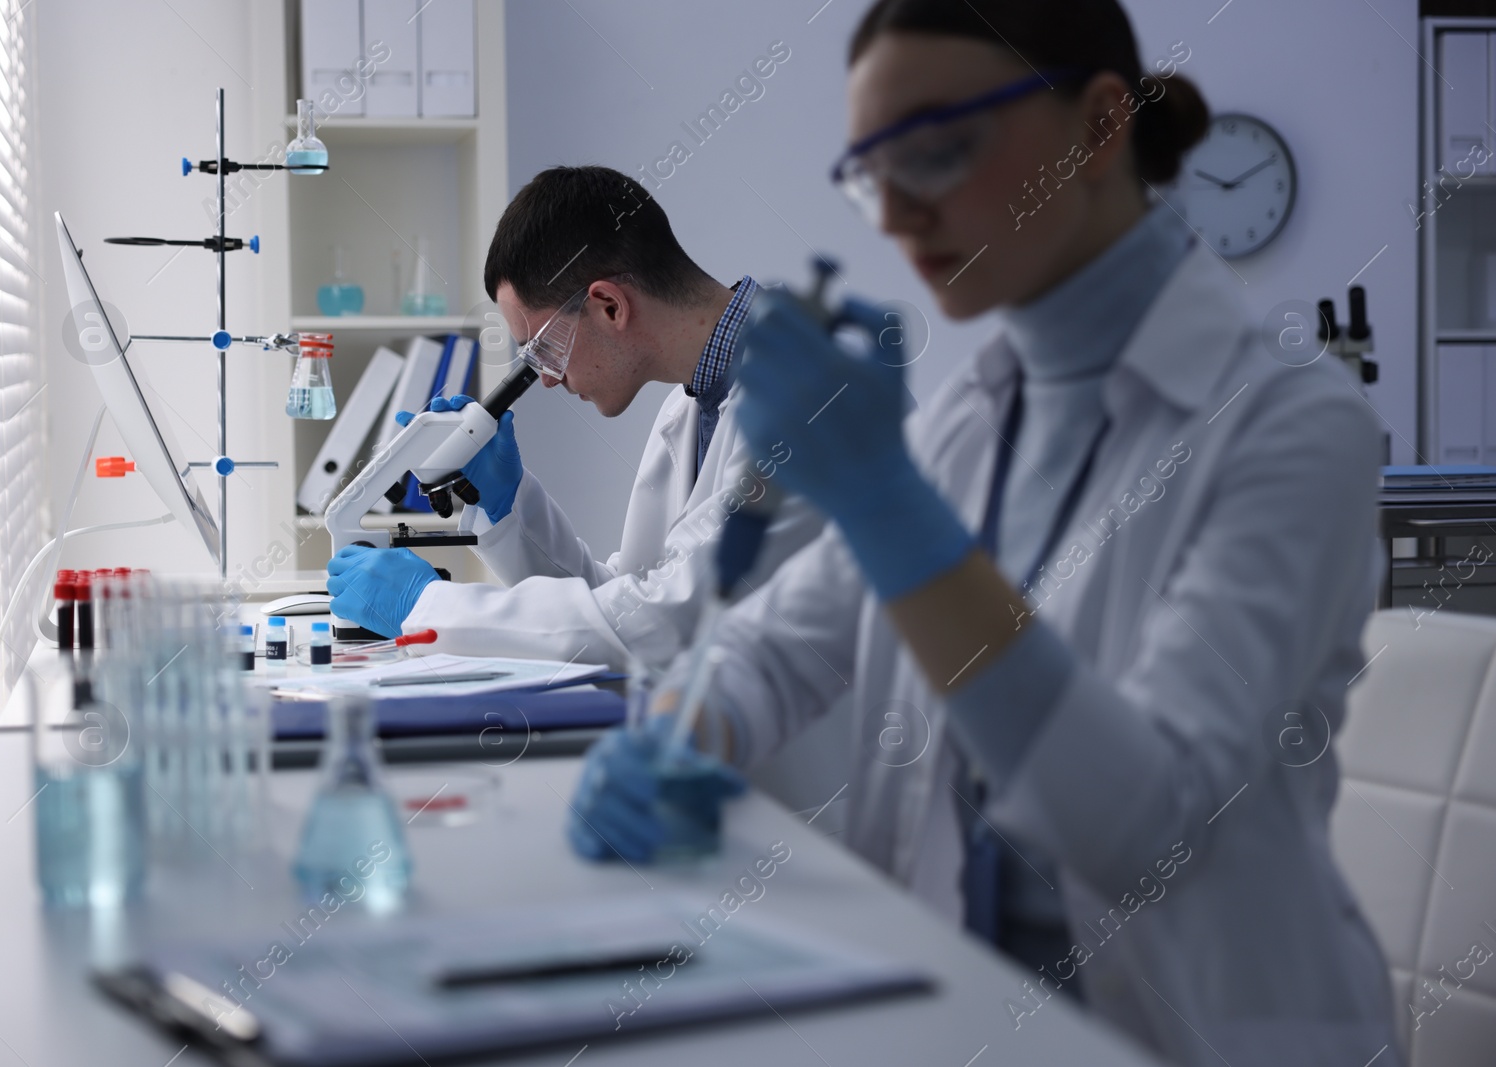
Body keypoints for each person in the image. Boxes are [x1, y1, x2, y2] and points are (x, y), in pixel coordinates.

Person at [566, 2, 1400, 1064]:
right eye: (873, 171)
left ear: (1100, 129)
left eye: (936, 151)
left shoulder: (1292, 426)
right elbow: (775, 646)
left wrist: (883, 504)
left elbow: (1146, 820)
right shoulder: (975, 418)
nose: (899, 216)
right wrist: (678, 734)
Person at [326, 166, 823, 668]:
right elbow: (627, 605)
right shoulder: (694, 403)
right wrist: (510, 506)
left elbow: (664, 626)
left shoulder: (814, 400)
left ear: (609, 306)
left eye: (543, 350)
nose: (545, 378)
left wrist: (427, 605)